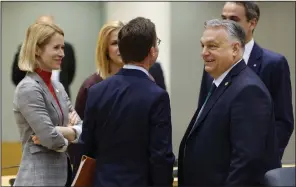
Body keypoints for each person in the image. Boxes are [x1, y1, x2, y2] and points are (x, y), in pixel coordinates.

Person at [178, 19, 281, 186]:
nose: (204, 52)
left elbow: (246, 162)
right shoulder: (221, 83)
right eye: (202, 46)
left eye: (212, 46)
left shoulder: (248, 90)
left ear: (235, 49)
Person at [79, 17, 175, 186]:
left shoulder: (96, 91)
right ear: (153, 51)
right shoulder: (156, 96)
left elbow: (86, 147)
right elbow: (160, 155)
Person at [198, 1, 294, 160]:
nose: (227, 24)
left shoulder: (273, 63)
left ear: (252, 23)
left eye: (234, 19)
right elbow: (204, 109)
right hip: (217, 164)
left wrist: (266, 158)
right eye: (223, 18)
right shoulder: (213, 61)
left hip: (256, 166)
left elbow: (283, 121)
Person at [12, 21, 82, 186]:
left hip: (62, 176)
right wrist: (70, 136)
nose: (62, 54)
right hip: (38, 179)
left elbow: (81, 127)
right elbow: (51, 139)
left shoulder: (57, 86)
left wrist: (59, 130)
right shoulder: (28, 88)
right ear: (37, 49)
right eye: (56, 48)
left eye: (63, 48)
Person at [69, 20, 124, 178]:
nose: (120, 47)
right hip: (101, 171)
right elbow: (81, 139)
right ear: (105, 48)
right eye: (114, 43)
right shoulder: (91, 86)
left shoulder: (139, 82)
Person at [11, 15, 76, 98]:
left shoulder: (67, 49)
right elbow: (17, 77)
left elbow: (70, 74)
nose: (61, 54)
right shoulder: (25, 50)